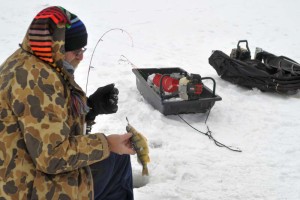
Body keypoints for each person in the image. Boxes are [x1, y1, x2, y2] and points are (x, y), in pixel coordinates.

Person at [0, 6, 135, 200]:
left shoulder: (25, 61)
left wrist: (89, 109)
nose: (81, 56)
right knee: (114, 159)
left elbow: (42, 125)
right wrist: (107, 144)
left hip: (20, 170)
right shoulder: (38, 80)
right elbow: (52, 156)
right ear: (56, 47)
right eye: (75, 51)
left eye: (82, 49)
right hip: (25, 188)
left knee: (115, 162)